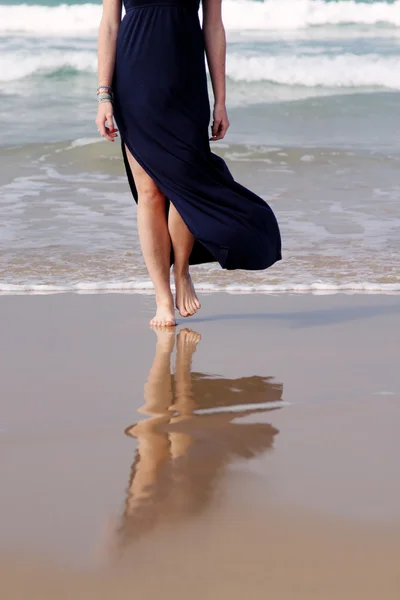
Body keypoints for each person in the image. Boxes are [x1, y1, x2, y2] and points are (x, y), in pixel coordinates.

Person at [96, 0, 282, 327]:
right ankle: (162, 298)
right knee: (150, 192)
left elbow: (213, 26)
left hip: (186, 83)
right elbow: (110, 25)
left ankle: (181, 271)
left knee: (185, 181)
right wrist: (103, 95)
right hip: (134, 83)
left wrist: (221, 100)